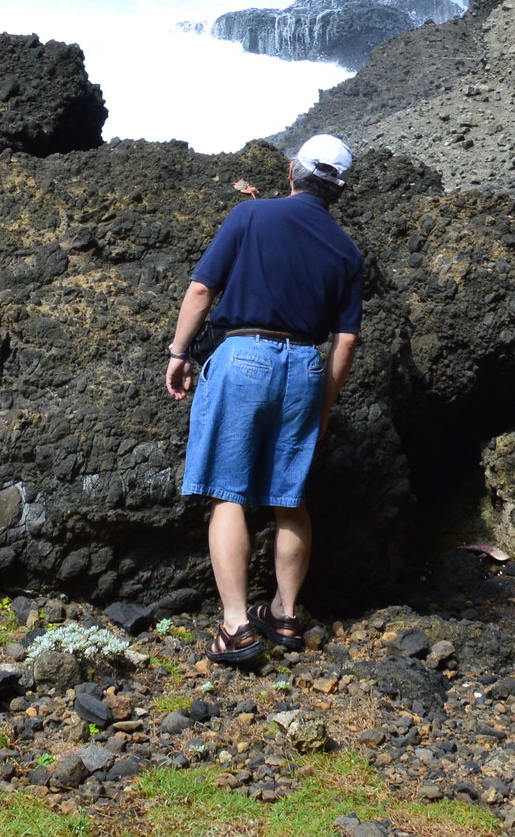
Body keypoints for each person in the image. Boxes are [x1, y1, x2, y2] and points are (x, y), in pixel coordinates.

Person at [164, 133, 363, 665]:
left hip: (244, 354)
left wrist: (179, 351)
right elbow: (346, 339)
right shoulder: (346, 249)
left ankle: (235, 627)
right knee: (289, 496)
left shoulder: (250, 217)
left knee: (229, 492)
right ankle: (285, 614)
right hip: (304, 365)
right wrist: (324, 399)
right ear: (337, 191)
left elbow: (203, 289)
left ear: (293, 171)